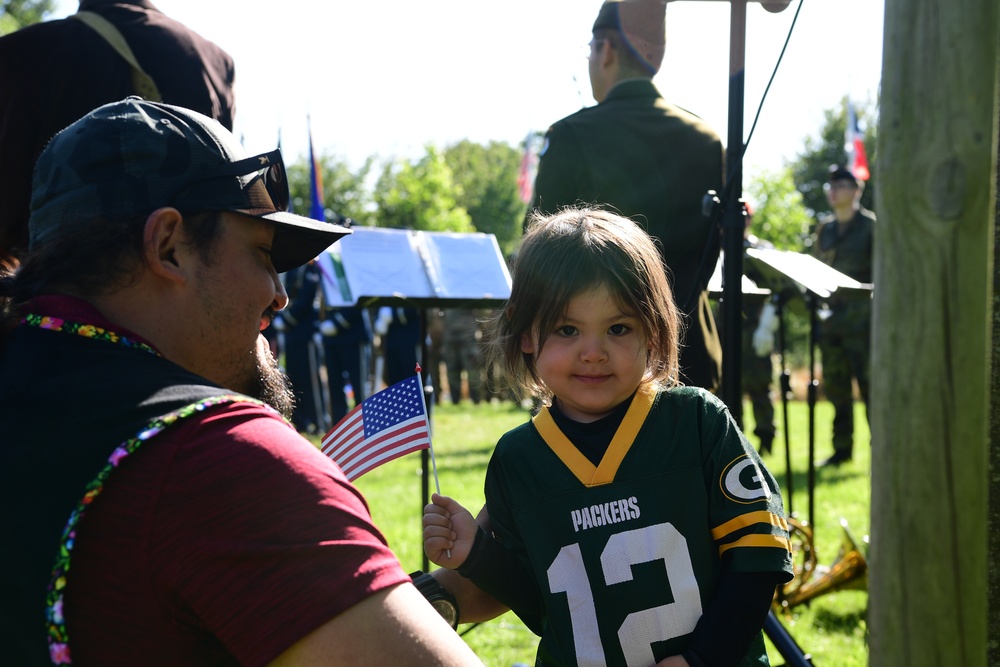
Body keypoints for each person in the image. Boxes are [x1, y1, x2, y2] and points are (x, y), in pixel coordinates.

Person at [0, 97, 484, 666]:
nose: (279, 293)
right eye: (261, 252)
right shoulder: (219, 458)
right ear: (169, 246)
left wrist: (436, 601)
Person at [424, 208, 793, 666]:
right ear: (525, 334)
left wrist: (702, 659)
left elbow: (758, 560)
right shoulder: (517, 458)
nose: (593, 352)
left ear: (654, 329)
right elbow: (550, 611)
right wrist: (475, 554)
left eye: (618, 328)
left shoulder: (697, 421)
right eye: (567, 329)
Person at [526, 0, 725, 392]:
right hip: (688, 358)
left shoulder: (573, 136)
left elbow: (541, 251)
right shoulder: (705, 139)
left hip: (594, 367)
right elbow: (710, 252)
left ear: (608, 51)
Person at [0, 0, 237, 266]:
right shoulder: (214, 61)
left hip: (62, 280)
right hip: (180, 275)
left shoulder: (22, 52)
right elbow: (225, 186)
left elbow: (8, 196)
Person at [812, 164, 874, 467]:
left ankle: (881, 450)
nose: (833, 191)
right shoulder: (826, 228)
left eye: (840, 186)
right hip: (832, 324)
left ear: (856, 191)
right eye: (831, 186)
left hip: (864, 324)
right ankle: (842, 449)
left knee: (871, 390)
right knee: (837, 391)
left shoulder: (871, 227)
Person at [275, 260, 326, 433]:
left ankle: (319, 422)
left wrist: (288, 319)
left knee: (311, 378)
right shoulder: (293, 267)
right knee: (294, 377)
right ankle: (301, 421)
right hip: (292, 332)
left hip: (306, 331)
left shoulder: (311, 266)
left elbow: (307, 296)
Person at [441, 308, 483, 405]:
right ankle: (455, 400)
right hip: (450, 336)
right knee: (452, 370)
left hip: (468, 336)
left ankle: (476, 400)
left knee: (473, 371)